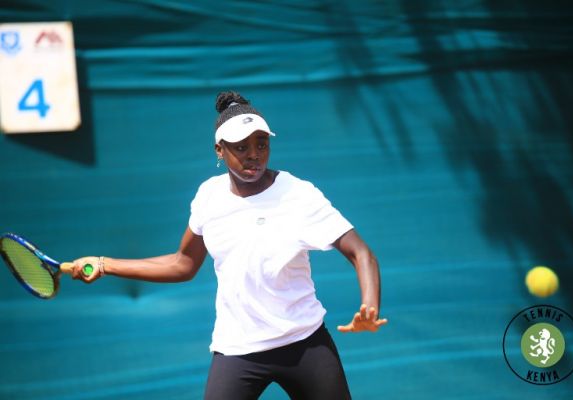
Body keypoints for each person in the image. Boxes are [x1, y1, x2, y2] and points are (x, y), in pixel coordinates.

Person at [71, 91, 388, 400]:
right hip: (239, 349)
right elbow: (183, 264)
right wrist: (104, 264)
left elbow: (361, 252)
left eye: (262, 144)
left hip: (305, 341)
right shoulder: (209, 197)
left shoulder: (299, 195)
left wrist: (369, 306)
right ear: (219, 150)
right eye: (241, 146)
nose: (254, 154)